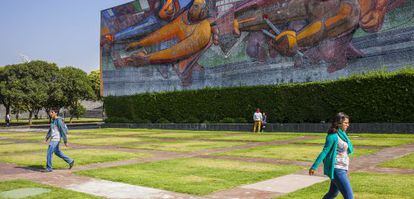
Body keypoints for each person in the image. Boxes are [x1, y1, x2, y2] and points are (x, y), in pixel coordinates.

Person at [309, 112, 354, 199]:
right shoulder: (332, 136)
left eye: (348, 123)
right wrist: (314, 167)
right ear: (339, 123)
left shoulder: (343, 135)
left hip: (343, 168)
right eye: (346, 123)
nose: (348, 125)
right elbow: (324, 152)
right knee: (349, 197)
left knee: (332, 194)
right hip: (337, 169)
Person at [44, 108, 74, 172]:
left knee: (49, 152)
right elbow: (50, 130)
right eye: (50, 112)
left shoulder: (58, 120)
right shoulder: (53, 120)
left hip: (56, 139)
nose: (50, 113)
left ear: (56, 113)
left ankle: (49, 168)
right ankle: (70, 161)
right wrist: (47, 138)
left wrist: (65, 141)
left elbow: (63, 131)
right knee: (57, 152)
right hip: (53, 138)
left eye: (52, 112)